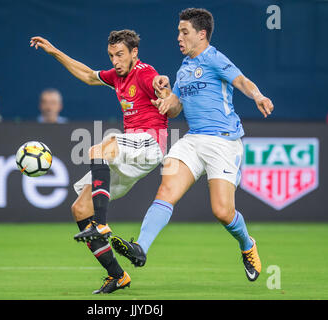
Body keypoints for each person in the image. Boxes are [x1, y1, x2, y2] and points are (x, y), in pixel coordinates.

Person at [111, 8, 274, 282]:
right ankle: (141, 247)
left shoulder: (214, 58)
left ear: (202, 34)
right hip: (193, 140)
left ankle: (247, 244)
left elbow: (242, 81)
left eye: (184, 32)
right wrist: (164, 99)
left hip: (223, 142)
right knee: (166, 189)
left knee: (222, 212)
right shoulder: (184, 69)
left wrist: (257, 95)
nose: (178, 37)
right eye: (178, 32)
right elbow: (175, 108)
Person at [30, 30, 171, 294]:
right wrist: (55, 52)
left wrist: (164, 92)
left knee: (98, 149)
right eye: (111, 55)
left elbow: (161, 89)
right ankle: (117, 275)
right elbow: (87, 75)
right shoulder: (116, 76)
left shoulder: (144, 72)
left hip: (151, 143)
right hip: (130, 154)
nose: (115, 61)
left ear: (134, 53)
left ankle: (102, 223)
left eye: (120, 55)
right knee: (80, 208)